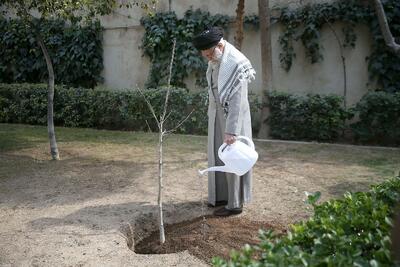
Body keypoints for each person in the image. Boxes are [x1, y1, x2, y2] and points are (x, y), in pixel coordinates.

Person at [192, 26, 256, 216]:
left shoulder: (235, 62)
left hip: (232, 120)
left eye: (210, 54)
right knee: (217, 155)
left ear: (219, 46)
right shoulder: (217, 57)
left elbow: (237, 102)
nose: (208, 58)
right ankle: (220, 197)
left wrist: (232, 131)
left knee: (233, 158)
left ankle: (234, 204)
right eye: (205, 55)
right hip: (217, 115)